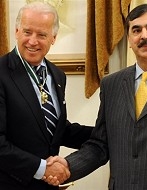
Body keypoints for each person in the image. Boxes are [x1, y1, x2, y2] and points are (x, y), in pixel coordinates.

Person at [45, 3, 147, 190]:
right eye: (136, 30)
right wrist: (67, 166)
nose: (144, 36)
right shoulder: (111, 84)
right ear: (129, 40)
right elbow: (100, 144)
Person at [0, 2, 93, 190]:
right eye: (27, 32)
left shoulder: (57, 75)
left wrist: (106, 133)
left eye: (42, 34)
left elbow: (55, 130)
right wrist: (43, 169)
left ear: (53, 37)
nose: (33, 41)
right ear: (17, 31)